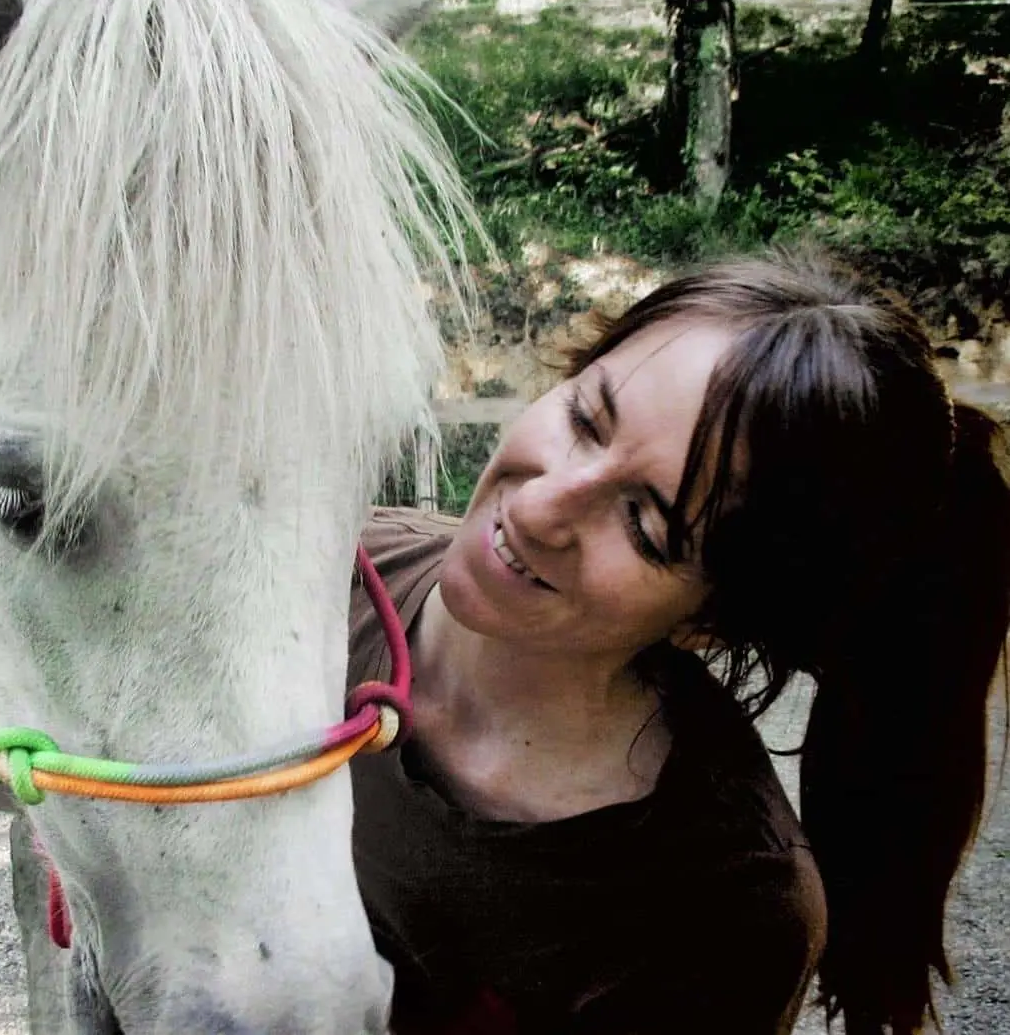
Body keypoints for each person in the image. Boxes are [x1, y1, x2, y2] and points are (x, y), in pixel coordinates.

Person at [347, 249, 1010, 1035]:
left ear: (715, 615)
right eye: (585, 418)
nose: (539, 507)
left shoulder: (718, 909)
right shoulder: (326, 575)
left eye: (644, 523)